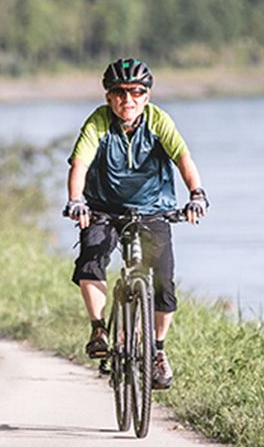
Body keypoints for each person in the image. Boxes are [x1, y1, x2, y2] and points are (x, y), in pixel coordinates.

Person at [63, 58, 208, 390]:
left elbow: (183, 158)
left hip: (153, 209)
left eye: (136, 92)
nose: (127, 100)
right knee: (91, 262)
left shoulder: (158, 121)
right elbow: (80, 163)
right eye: (119, 92)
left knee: (164, 283)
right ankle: (99, 328)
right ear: (108, 97)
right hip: (102, 208)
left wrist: (196, 193)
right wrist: (76, 200)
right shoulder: (99, 122)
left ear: (147, 96)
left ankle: (157, 351)